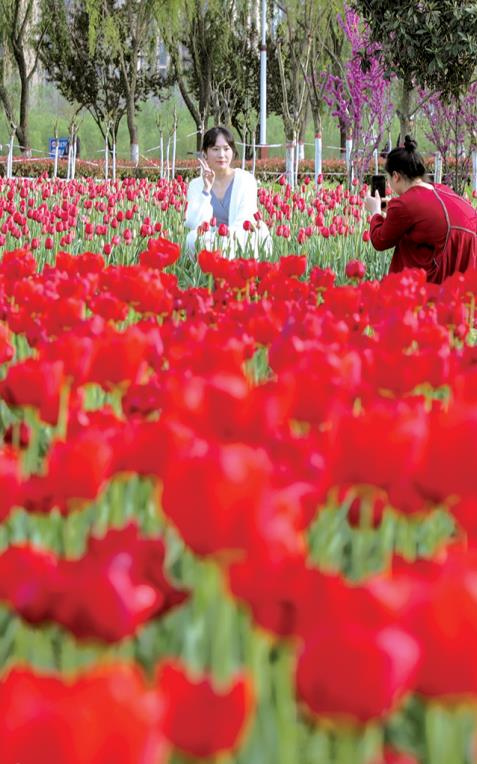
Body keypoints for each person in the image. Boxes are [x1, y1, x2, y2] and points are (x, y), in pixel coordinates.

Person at [364, 135, 477, 283]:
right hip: (467, 262)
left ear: (396, 176)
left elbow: (380, 240)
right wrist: (391, 207)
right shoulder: (442, 189)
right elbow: (425, 210)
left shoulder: (404, 204)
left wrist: (375, 211)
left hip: (440, 273)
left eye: (388, 179)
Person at [185, 126, 272, 258]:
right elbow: (194, 223)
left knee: (248, 239)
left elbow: (245, 221)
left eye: (226, 149)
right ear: (205, 153)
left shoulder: (245, 180)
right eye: (215, 149)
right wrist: (206, 190)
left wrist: (223, 239)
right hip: (211, 240)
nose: (221, 155)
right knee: (192, 239)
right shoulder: (196, 185)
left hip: (240, 238)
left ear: (232, 151)